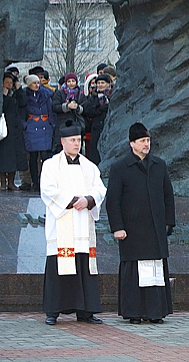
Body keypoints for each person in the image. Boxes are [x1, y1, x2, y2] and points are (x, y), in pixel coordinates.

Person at [106, 122, 175, 324]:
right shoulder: (120, 168)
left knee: (155, 270)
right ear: (132, 143)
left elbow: (168, 195)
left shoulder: (159, 165)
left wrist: (169, 222)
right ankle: (134, 313)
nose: (146, 144)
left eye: (148, 140)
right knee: (134, 272)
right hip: (132, 231)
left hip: (155, 229)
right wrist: (117, 227)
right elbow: (113, 201)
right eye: (142, 141)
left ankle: (155, 312)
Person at [40, 121, 107, 325]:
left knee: (84, 266)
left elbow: (100, 189)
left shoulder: (90, 166)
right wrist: (71, 201)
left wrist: (88, 200)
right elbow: (47, 190)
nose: (77, 144)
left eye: (78, 140)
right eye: (72, 140)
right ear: (63, 142)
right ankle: (53, 311)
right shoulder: (51, 165)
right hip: (62, 225)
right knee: (59, 265)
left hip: (83, 226)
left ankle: (85, 311)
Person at [23, 74, 53, 192]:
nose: (37, 85)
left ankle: (44, 181)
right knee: (33, 156)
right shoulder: (25, 95)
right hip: (32, 126)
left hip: (45, 126)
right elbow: (21, 111)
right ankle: (35, 181)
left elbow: (51, 110)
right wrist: (25, 125)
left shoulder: (46, 94)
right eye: (34, 83)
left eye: (37, 83)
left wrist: (52, 124)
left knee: (45, 156)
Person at [1, 71, 26, 190]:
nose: (9, 85)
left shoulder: (16, 93)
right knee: (3, 157)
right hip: (4, 129)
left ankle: (11, 182)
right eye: (7, 83)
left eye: (11, 83)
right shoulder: (3, 95)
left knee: (13, 157)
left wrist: (19, 89)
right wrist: (4, 96)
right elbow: (3, 107)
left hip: (15, 129)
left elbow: (23, 102)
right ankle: (3, 182)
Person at [50, 73, 86, 154]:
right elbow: (55, 107)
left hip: (76, 126)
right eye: (69, 81)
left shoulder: (80, 94)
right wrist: (67, 106)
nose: (71, 83)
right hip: (62, 125)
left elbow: (85, 109)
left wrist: (77, 107)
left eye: (73, 81)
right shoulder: (59, 93)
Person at [83, 73, 112, 165]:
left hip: (109, 128)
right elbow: (87, 110)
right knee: (95, 156)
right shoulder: (93, 97)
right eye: (98, 83)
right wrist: (99, 109)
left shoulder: (112, 96)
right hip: (96, 129)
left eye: (102, 83)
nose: (100, 85)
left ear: (108, 84)